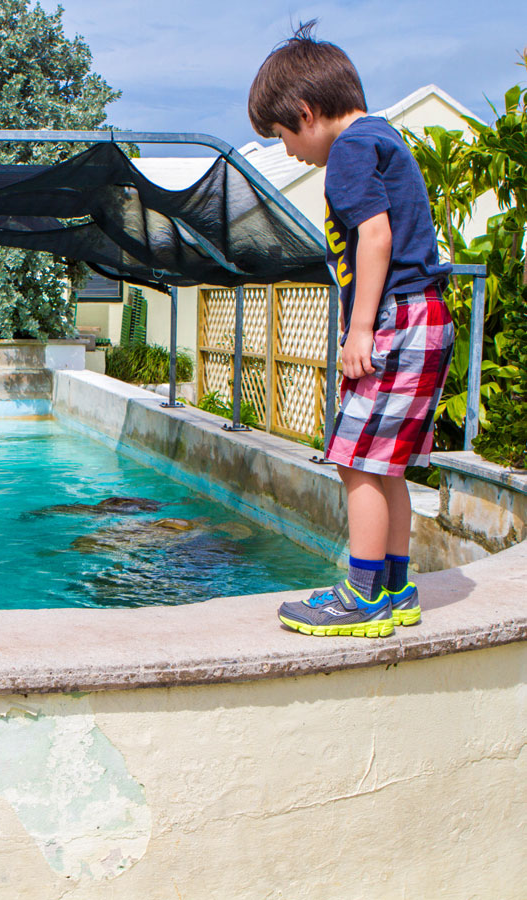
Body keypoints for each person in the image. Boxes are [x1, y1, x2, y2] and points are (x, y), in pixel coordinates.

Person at [248, 22, 453, 637]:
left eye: (283, 136)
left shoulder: (348, 154)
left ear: (307, 113)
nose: (287, 151)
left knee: (355, 460)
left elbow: (375, 235)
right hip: (427, 315)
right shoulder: (381, 138)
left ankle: (361, 598)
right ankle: (394, 588)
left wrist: (359, 328)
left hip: (397, 317)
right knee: (384, 464)